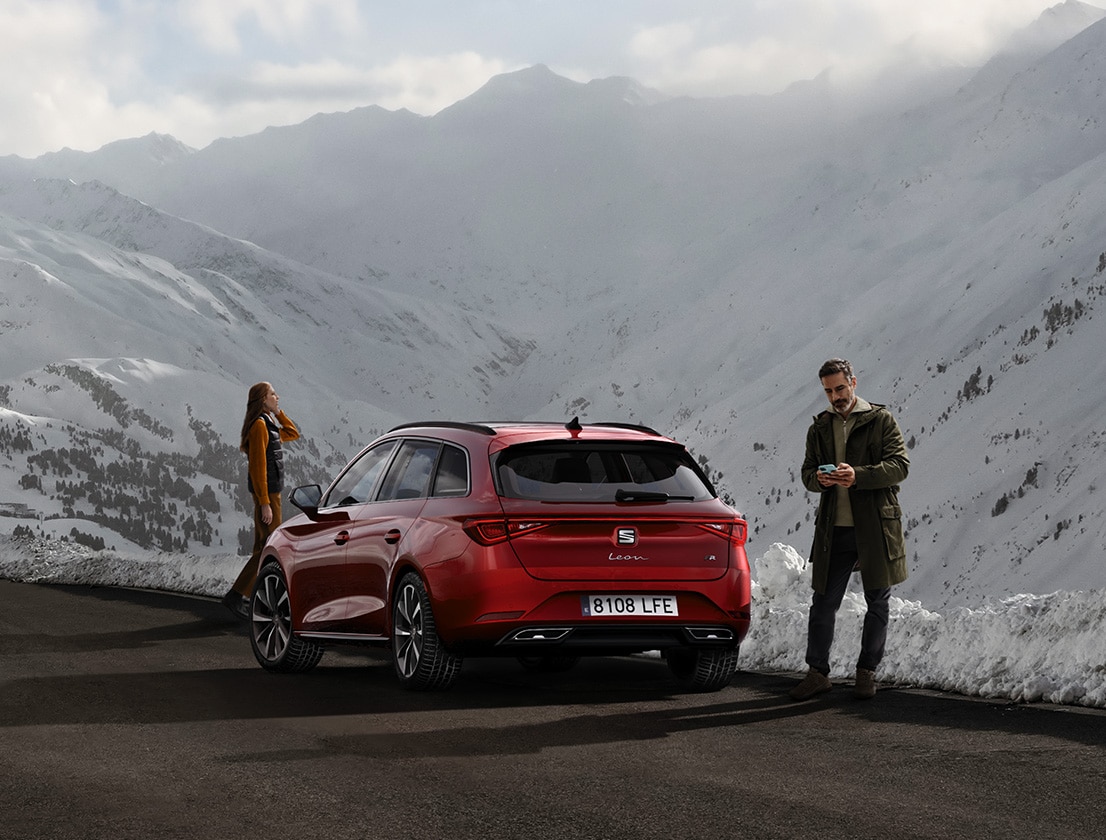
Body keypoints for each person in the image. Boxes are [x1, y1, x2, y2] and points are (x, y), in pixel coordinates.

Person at [790, 358, 909, 701]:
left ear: (853, 382)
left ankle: (866, 672)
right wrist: (821, 479)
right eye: (828, 391)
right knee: (823, 604)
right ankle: (817, 673)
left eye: (840, 388)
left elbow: (899, 466)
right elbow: (807, 474)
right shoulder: (820, 428)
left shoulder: (880, 420)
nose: (835, 396)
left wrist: (859, 476)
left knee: (878, 603)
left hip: (875, 528)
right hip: (835, 529)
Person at [222, 382, 300, 620]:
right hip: (268, 496)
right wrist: (265, 502)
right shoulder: (259, 426)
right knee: (270, 547)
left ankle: (246, 597)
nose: (278, 397)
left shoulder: (269, 423)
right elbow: (258, 467)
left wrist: (279, 413)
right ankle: (237, 595)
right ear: (262, 400)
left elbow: (293, 432)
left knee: (262, 547)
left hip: (271, 494)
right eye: (273, 394)